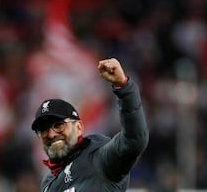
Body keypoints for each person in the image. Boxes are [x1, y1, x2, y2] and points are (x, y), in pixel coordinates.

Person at [31, 58, 149, 192]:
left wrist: (123, 87)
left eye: (58, 125)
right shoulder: (48, 183)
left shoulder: (99, 157)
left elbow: (134, 140)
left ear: (79, 127)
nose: (51, 134)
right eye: (43, 130)